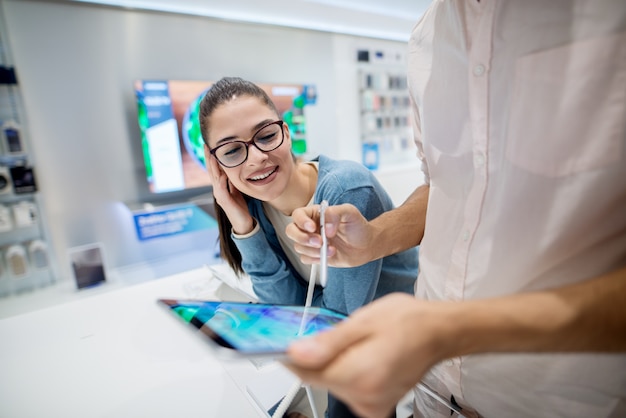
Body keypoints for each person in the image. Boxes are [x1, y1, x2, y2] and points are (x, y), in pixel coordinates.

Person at [283, 1, 626, 417]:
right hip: (432, 393)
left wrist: (454, 330)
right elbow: (445, 187)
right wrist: (376, 237)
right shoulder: (426, 38)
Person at [198, 76, 419, 418]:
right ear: (215, 164)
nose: (256, 157)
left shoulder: (345, 190)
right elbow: (290, 314)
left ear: (286, 133)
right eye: (231, 151)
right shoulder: (254, 206)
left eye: (267, 136)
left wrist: (303, 314)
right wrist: (241, 223)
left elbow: (333, 324)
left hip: (394, 334)